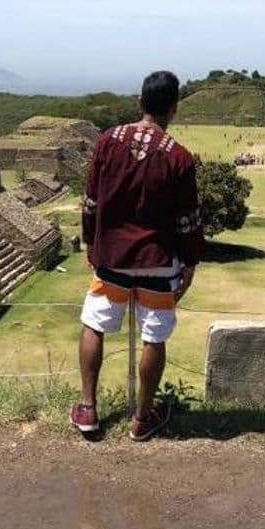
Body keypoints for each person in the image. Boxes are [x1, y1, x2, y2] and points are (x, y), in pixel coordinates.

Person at [70, 70, 204, 441]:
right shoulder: (178, 156)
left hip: (111, 256)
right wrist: (190, 261)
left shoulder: (107, 141)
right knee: (153, 338)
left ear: (140, 101)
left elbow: (91, 201)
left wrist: (91, 243)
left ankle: (87, 407)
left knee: (94, 324)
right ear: (174, 109)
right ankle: (142, 419)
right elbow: (188, 220)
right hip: (157, 261)